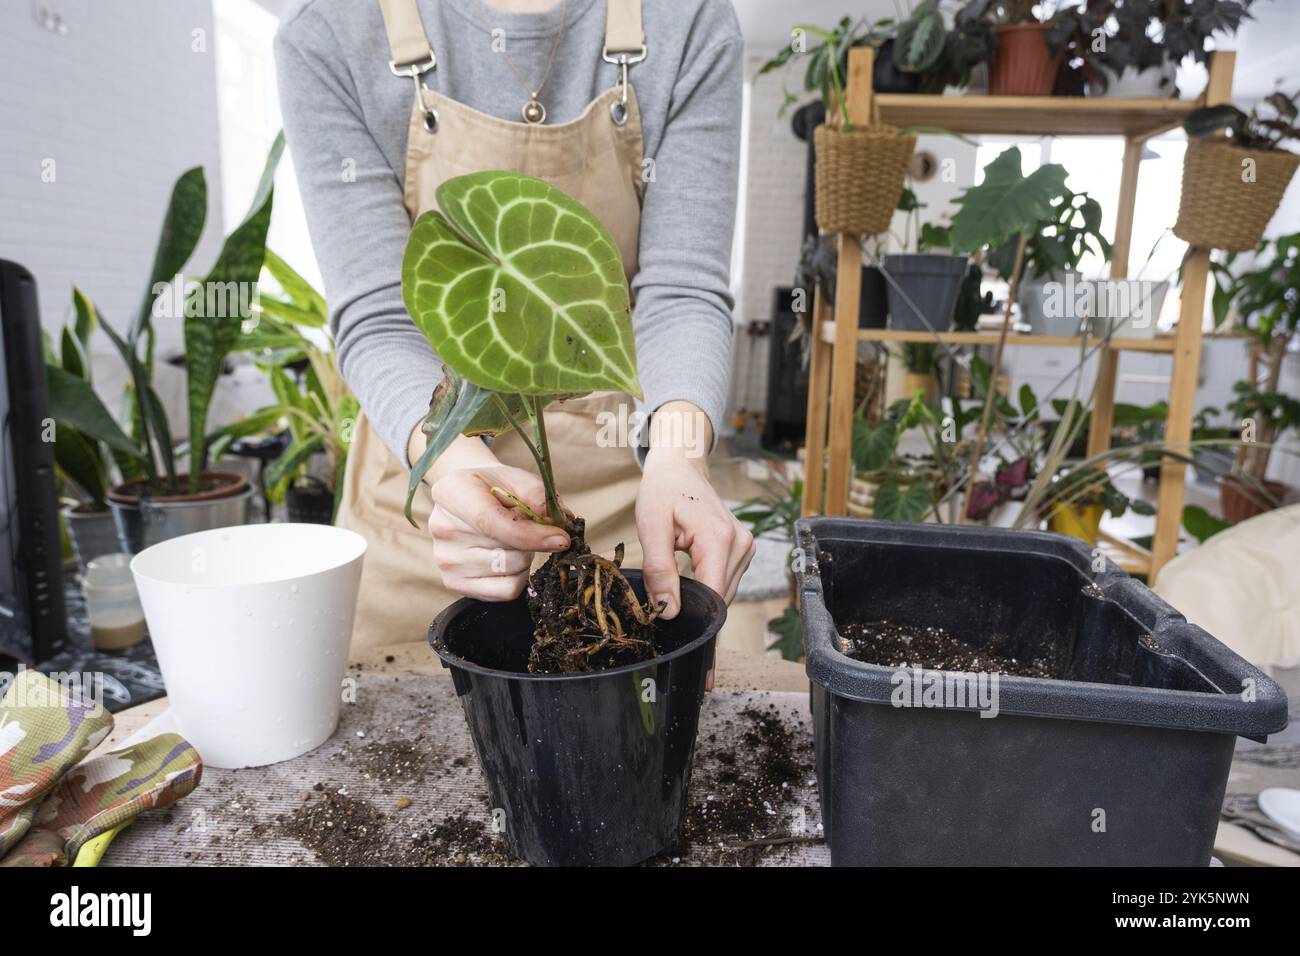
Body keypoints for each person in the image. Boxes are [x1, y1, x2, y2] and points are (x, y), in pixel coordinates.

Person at [275, 0, 753, 654]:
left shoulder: (686, 20)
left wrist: (679, 454)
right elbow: (380, 315)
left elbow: (681, 288)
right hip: (431, 515)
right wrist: (452, 467)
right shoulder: (330, 31)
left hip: (627, 523)